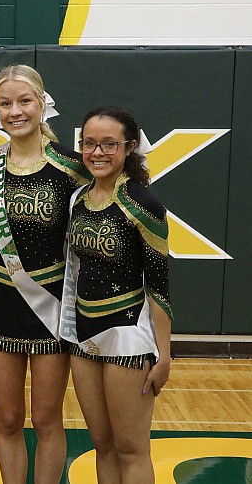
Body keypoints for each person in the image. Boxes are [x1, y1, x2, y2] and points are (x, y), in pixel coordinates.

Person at [0, 64, 91, 484]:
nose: (16, 111)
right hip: (0, 306)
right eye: (5, 103)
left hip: (51, 308)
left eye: (25, 101)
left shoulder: (73, 166)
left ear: (43, 104)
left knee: (47, 419)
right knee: (7, 419)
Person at [61, 106, 173, 484]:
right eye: (89, 144)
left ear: (129, 147)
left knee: (131, 449)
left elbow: (160, 285)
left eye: (109, 144)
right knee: (103, 445)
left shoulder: (143, 203)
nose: (97, 153)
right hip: (83, 336)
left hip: (128, 335)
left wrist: (165, 353)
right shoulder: (78, 199)